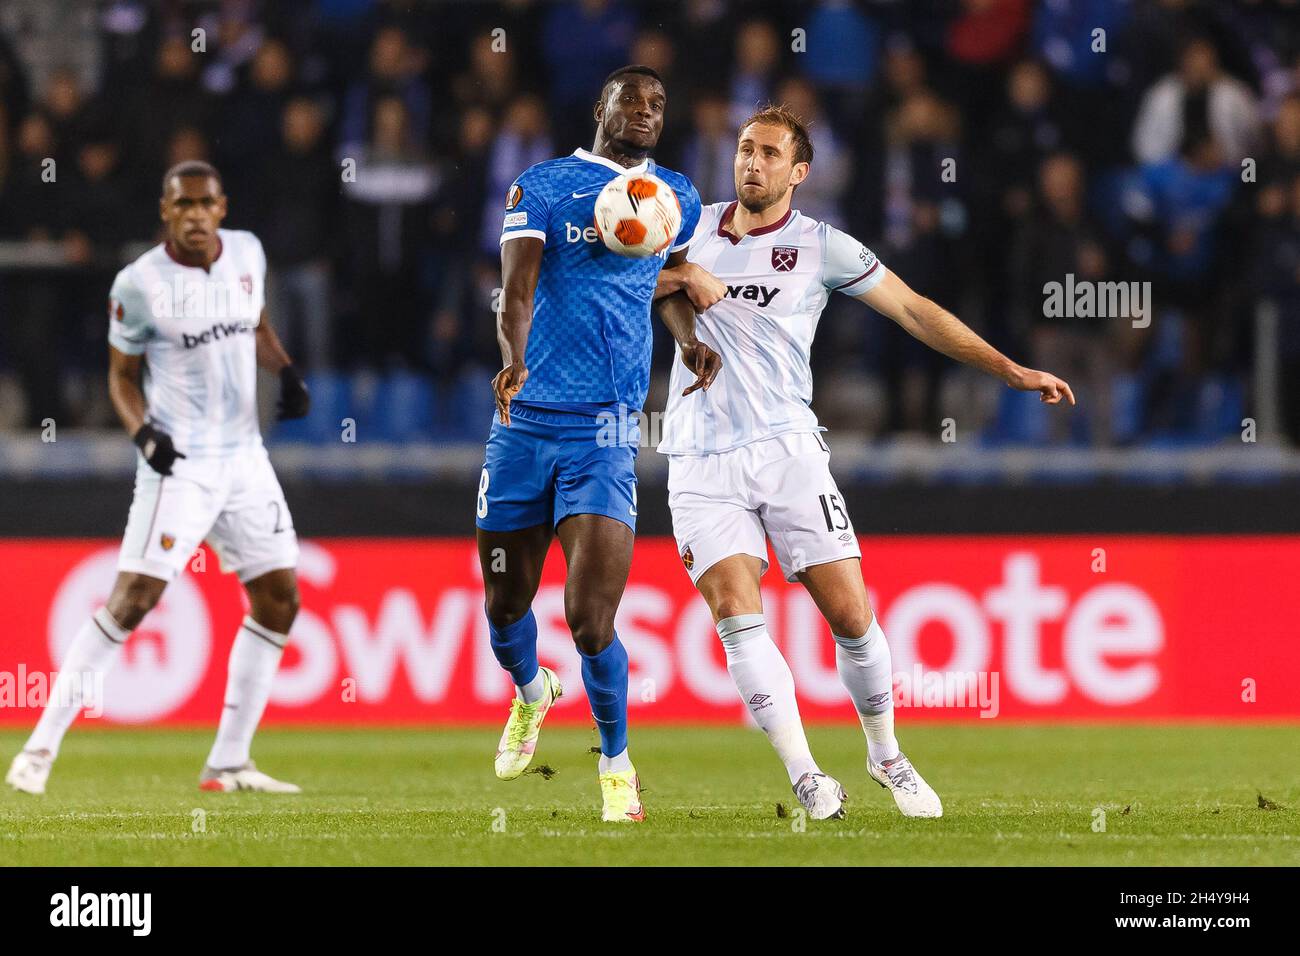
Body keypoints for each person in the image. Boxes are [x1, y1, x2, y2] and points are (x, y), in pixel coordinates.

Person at [655, 106, 1074, 820]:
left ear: (799, 173)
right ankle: (806, 777)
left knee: (851, 616)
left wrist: (1008, 369)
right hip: (698, 455)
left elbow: (913, 311)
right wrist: (681, 278)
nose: (751, 163)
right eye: (744, 150)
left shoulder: (822, 247)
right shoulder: (684, 226)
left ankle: (886, 755)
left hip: (788, 450)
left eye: (769, 153)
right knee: (735, 612)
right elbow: (625, 283)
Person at [6, 161, 312, 795]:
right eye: (183, 205)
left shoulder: (248, 253)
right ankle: (36, 751)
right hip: (180, 464)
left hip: (244, 458)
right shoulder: (139, 283)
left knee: (281, 597)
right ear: (165, 212)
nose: (196, 215)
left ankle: (228, 762)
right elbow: (120, 375)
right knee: (133, 600)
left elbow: (254, 325)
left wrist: (284, 372)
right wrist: (144, 433)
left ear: (222, 207)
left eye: (206, 203)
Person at [478, 66, 722, 822]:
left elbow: (663, 281)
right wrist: (513, 359)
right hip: (524, 425)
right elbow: (517, 291)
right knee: (504, 603)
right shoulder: (543, 187)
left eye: (658, 103)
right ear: (600, 108)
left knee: (590, 618)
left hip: (609, 430)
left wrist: (686, 341)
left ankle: (616, 764)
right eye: (633, 100)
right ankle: (531, 692)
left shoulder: (675, 196)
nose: (647, 111)